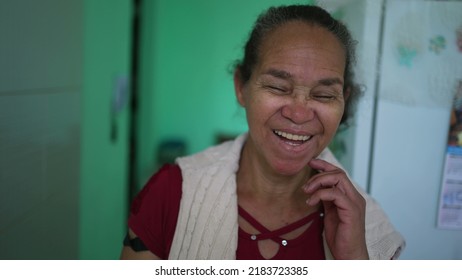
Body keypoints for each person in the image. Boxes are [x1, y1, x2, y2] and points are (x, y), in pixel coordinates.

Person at [120, 4, 405, 260]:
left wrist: (355, 260)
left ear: (344, 99)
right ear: (241, 87)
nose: (299, 113)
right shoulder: (171, 194)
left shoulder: (365, 227)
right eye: (278, 88)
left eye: (323, 95)